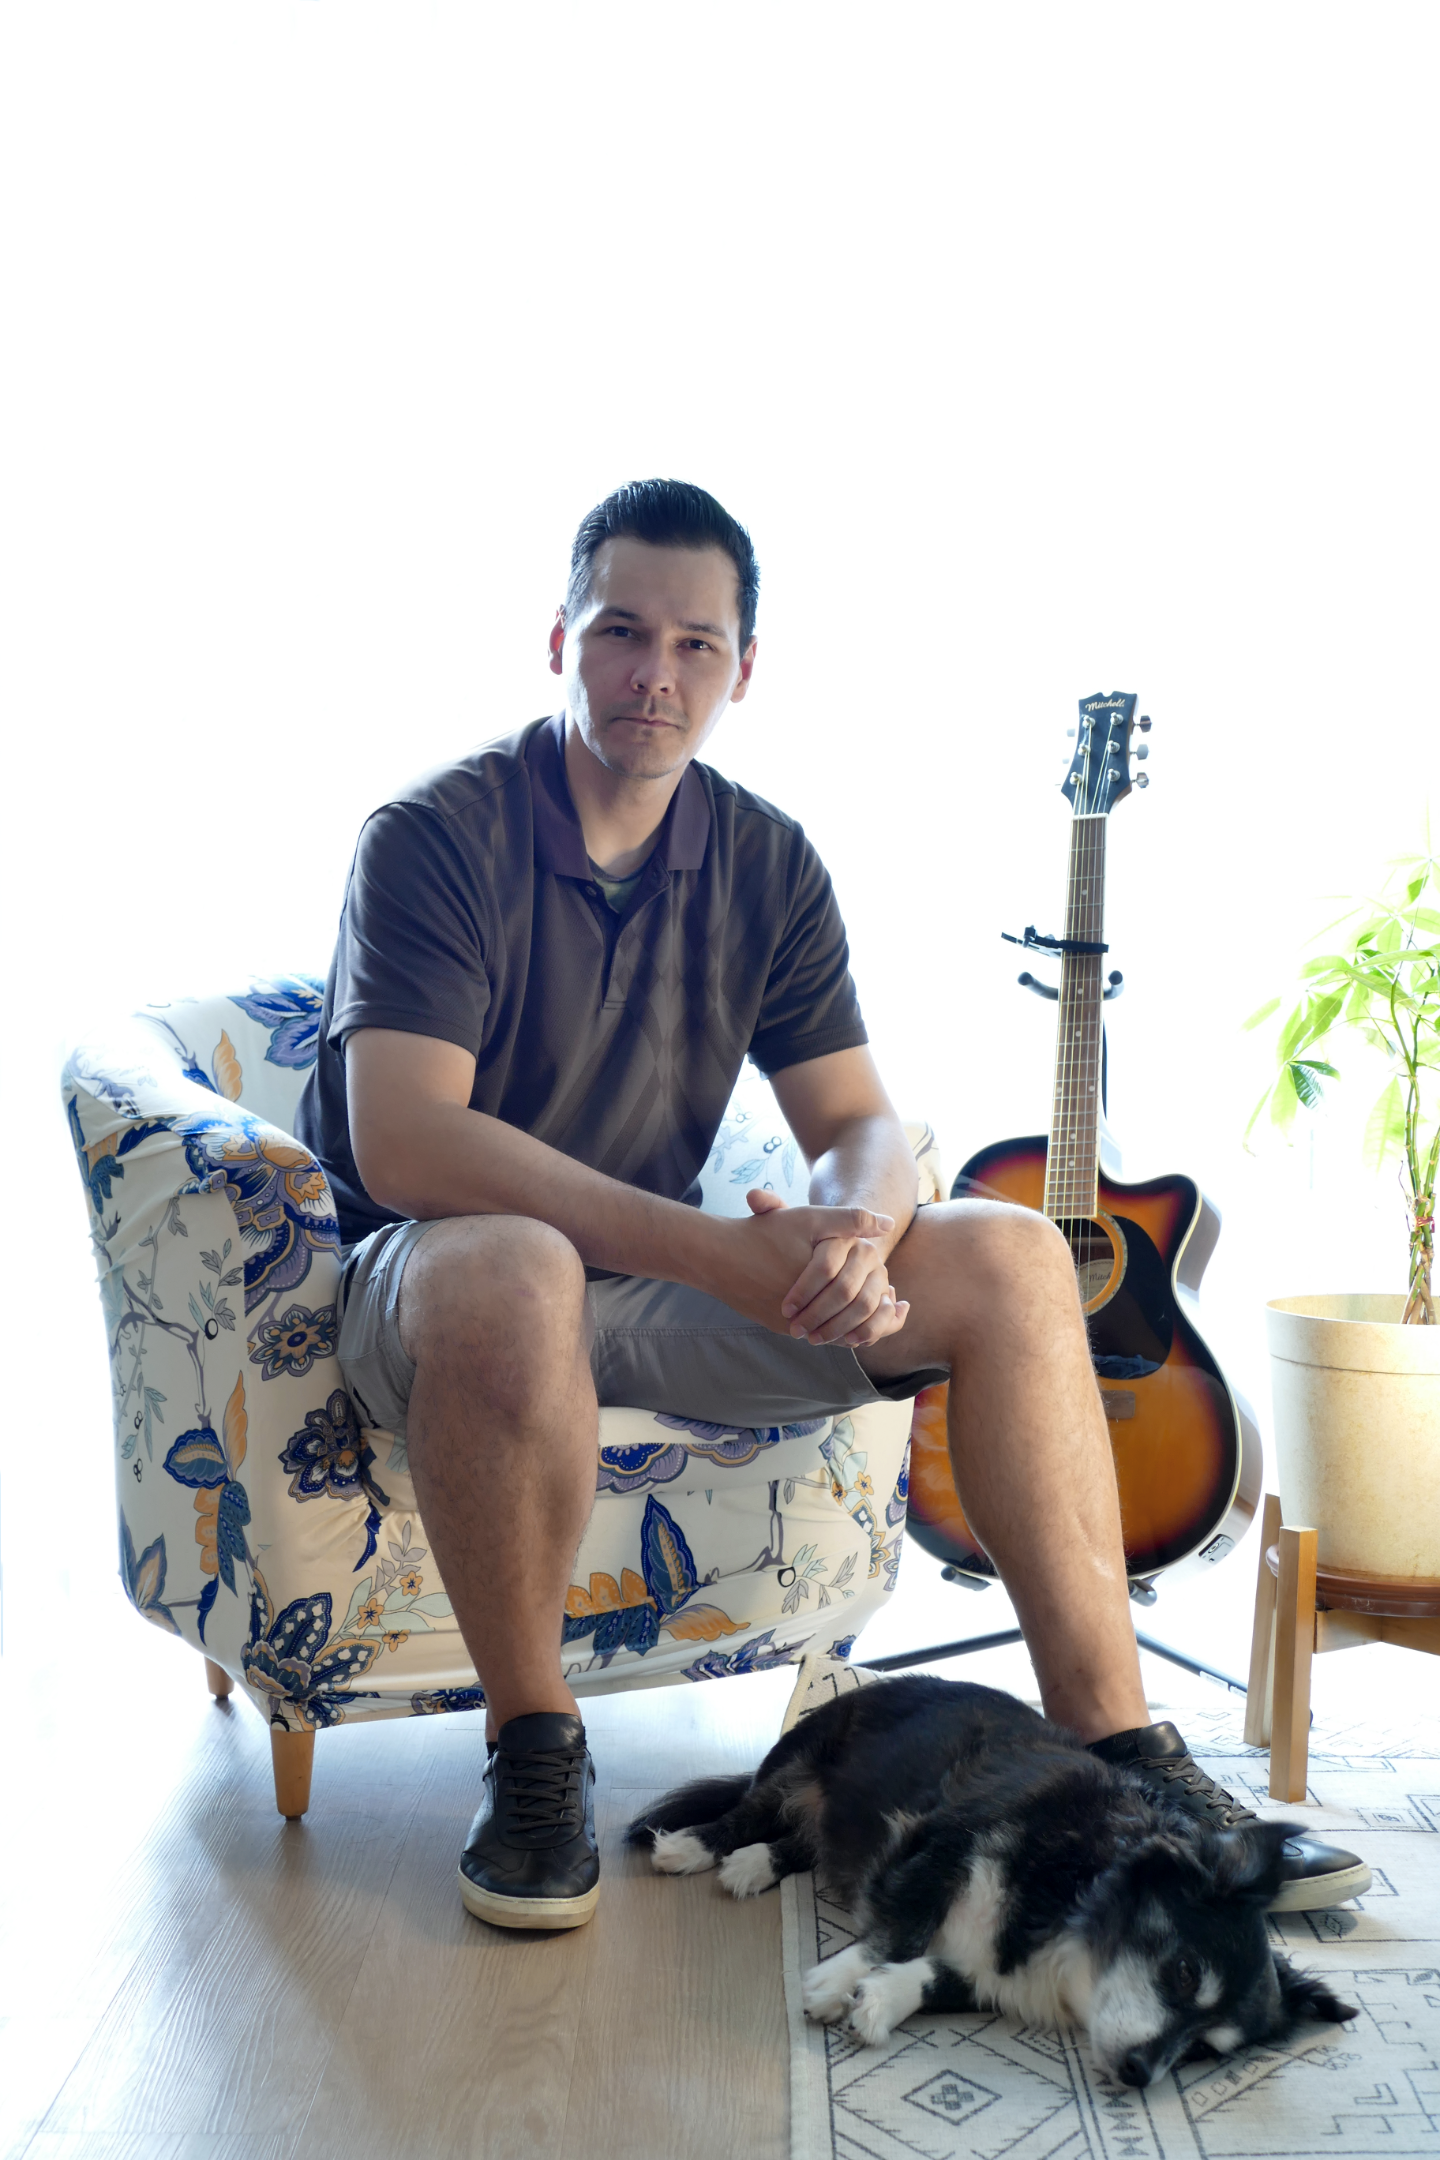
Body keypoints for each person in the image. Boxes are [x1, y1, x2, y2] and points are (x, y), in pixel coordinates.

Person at [297, 479, 1367, 1932]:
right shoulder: (434, 835)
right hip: (434, 1291)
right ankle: (535, 1755)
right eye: (621, 631)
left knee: (1009, 1254)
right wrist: (715, 1255)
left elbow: (856, 1122)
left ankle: (1127, 1766)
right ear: (559, 639)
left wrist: (855, 1237)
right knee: (518, 1267)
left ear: (743, 669)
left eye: (696, 643)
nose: (656, 673)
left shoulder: (766, 859)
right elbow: (409, 1139)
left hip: (644, 1296)